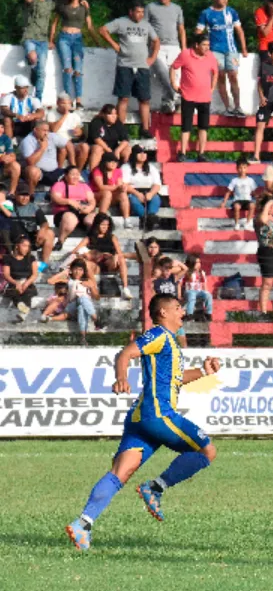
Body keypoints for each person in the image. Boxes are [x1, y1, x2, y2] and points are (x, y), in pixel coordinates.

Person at [64, 294, 222, 551]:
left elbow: (176, 379)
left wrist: (205, 372)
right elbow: (126, 353)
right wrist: (121, 378)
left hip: (141, 417)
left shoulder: (170, 342)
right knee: (207, 450)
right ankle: (155, 487)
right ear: (163, 312)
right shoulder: (159, 334)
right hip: (157, 414)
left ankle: (83, 524)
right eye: (178, 308)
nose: (183, 312)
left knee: (120, 472)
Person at [195, 0, 248, 116]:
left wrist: (244, 48)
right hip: (214, 50)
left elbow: (239, 30)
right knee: (220, 76)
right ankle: (228, 107)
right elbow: (198, 31)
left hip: (231, 48)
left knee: (233, 75)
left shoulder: (231, 12)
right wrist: (198, 47)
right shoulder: (206, 13)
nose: (224, 0)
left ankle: (238, 106)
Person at [171, 34, 220, 162]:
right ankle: (182, 152)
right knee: (186, 126)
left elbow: (215, 72)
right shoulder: (186, 54)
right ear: (196, 45)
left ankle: (201, 153)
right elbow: (173, 67)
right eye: (204, 45)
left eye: (208, 45)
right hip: (188, 95)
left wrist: (212, 88)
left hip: (205, 97)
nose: (207, 48)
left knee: (203, 126)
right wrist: (173, 84)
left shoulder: (210, 56)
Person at [51, 0, 100, 108]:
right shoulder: (63, 7)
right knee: (67, 68)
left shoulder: (84, 8)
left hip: (77, 38)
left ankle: (78, 99)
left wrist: (97, 42)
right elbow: (54, 23)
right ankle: (67, 98)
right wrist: (50, 40)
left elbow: (89, 26)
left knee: (78, 70)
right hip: (64, 37)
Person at [145, 0, 188, 114]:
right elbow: (145, 27)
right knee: (163, 73)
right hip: (157, 47)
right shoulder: (150, 7)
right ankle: (176, 99)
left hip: (174, 46)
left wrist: (184, 47)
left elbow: (181, 29)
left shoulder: (177, 9)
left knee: (176, 75)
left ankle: (168, 102)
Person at [75, 213, 132, 298]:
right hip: (95, 264)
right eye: (103, 225)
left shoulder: (112, 237)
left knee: (121, 258)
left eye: (107, 225)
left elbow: (119, 252)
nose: (105, 227)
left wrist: (113, 256)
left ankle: (125, 288)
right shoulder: (89, 238)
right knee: (85, 263)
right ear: (97, 225)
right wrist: (86, 254)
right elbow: (75, 251)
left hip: (109, 262)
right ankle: (94, 288)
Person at [46, 259, 102, 341]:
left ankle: (83, 337)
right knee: (81, 298)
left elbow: (97, 297)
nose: (77, 272)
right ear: (71, 270)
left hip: (85, 309)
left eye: (80, 270)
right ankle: (96, 319)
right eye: (75, 269)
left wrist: (92, 287)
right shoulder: (68, 281)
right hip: (71, 309)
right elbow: (50, 281)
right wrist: (63, 273)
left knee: (81, 306)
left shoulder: (89, 281)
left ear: (83, 271)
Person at [20, 0, 56, 99]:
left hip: (43, 40)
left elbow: (62, 11)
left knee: (42, 72)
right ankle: (33, 70)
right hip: (30, 36)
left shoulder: (50, 3)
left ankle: (38, 99)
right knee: (33, 58)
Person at [9, 185, 56, 266]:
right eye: (22, 195)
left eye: (26, 195)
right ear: (16, 195)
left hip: (31, 239)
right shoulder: (8, 206)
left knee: (50, 233)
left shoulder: (34, 207)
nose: (25, 198)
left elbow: (44, 223)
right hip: (13, 240)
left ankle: (44, 265)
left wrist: (42, 230)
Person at [50, 165, 97, 242]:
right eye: (72, 174)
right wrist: (69, 201)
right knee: (70, 218)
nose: (75, 177)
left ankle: (91, 240)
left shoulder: (84, 186)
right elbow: (55, 198)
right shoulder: (59, 185)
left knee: (95, 219)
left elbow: (92, 199)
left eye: (77, 174)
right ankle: (61, 240)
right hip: (65, 212)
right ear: (66, 176)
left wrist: (90, 208)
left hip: (82, 211)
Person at [19, 119, 68, 188]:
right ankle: (31, 195)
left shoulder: (51, 136)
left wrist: (73, 165)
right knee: (32, 171)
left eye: (47, 130)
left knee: (72, 174)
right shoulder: (27, 141)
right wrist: (42, 148)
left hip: (54, 171)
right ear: (35, 130)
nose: (46, 133)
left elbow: (68, 144)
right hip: (39, 173)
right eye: (44, 130)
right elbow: (31, 162)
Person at [2, 235, 40, 321]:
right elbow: (6, 274)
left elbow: (34, 274)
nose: (27, 248)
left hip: (28, 282)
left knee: (27, 292)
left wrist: (26, 283)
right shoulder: (8, 258)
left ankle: (23, 313)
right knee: (14, 292)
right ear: (17, 246)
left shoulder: (31, 258)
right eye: (24, 245)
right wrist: (16, 283)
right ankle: (21, 305)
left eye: (28, 246)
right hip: (14, 282)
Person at [48, 95, 89, 171]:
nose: (66, 106)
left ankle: (77, 172)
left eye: (68, 103)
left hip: (72, 141)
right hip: (57, 142)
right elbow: (53, 129)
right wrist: (65, 114)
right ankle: (58, 172)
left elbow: (80, 132)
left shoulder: (75, 115)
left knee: (85, 147)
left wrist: (78, 132)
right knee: (63, 149)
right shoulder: (51, 114)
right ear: (57, 103)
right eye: (63, 103)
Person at [84, 104, 131, 171]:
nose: (114, 116)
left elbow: (125, 139)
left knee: (127, 149)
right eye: (111, 114)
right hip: (99, 146)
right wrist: (109, 151)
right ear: (103, 114)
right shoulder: (96, 122)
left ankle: (122, 172)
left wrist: (118, 150)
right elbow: (97, 139)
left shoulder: (117, 123)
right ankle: (93, 173)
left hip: (113, 147)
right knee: (98, 148)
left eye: (115, 114)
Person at [2, 75, 44, 141]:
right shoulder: (8, 97)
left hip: (28, 124)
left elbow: (41, 112)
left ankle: (37, 141)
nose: (25, 90)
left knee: (38, 119)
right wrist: (16, 115)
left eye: (27, 87)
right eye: (23, 88)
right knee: (7, 119)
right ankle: (9, 144)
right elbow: (4, 110)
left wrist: (33, 115)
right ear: (16, 87)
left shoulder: (32, 99)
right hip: (14, 124)